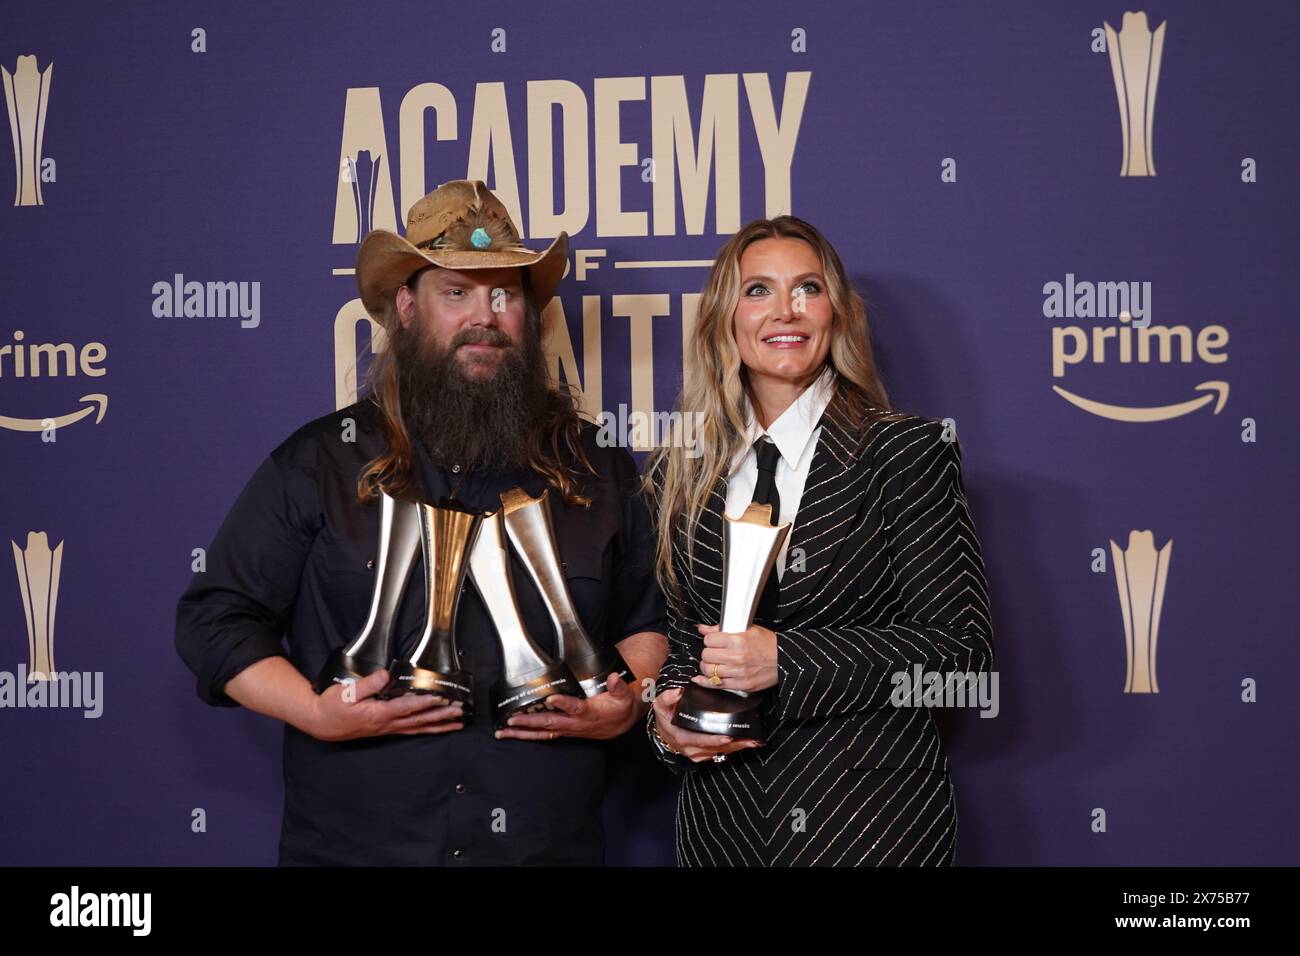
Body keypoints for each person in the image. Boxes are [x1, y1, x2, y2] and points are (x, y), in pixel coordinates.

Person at [175, 179, 667, 866]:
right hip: (356, 850)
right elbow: (215, 621)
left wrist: (632, 701)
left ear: (529, 314)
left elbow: (645, 625)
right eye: (456, 292)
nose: (484, 316)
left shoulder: (598, 469)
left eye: (504, 293)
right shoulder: (320, 462)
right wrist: (315, 711)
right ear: (406, 308)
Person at [642, 215, 994, 866]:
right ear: (724, 316)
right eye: (758, 290)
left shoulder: (905, 451)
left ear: (836, 312)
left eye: (807, 287)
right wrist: (665, 724)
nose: (786, 310)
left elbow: (962, 656)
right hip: (722, 826)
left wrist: (788, 659)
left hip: (872, 827)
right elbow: (687, 650)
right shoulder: (679, 471)